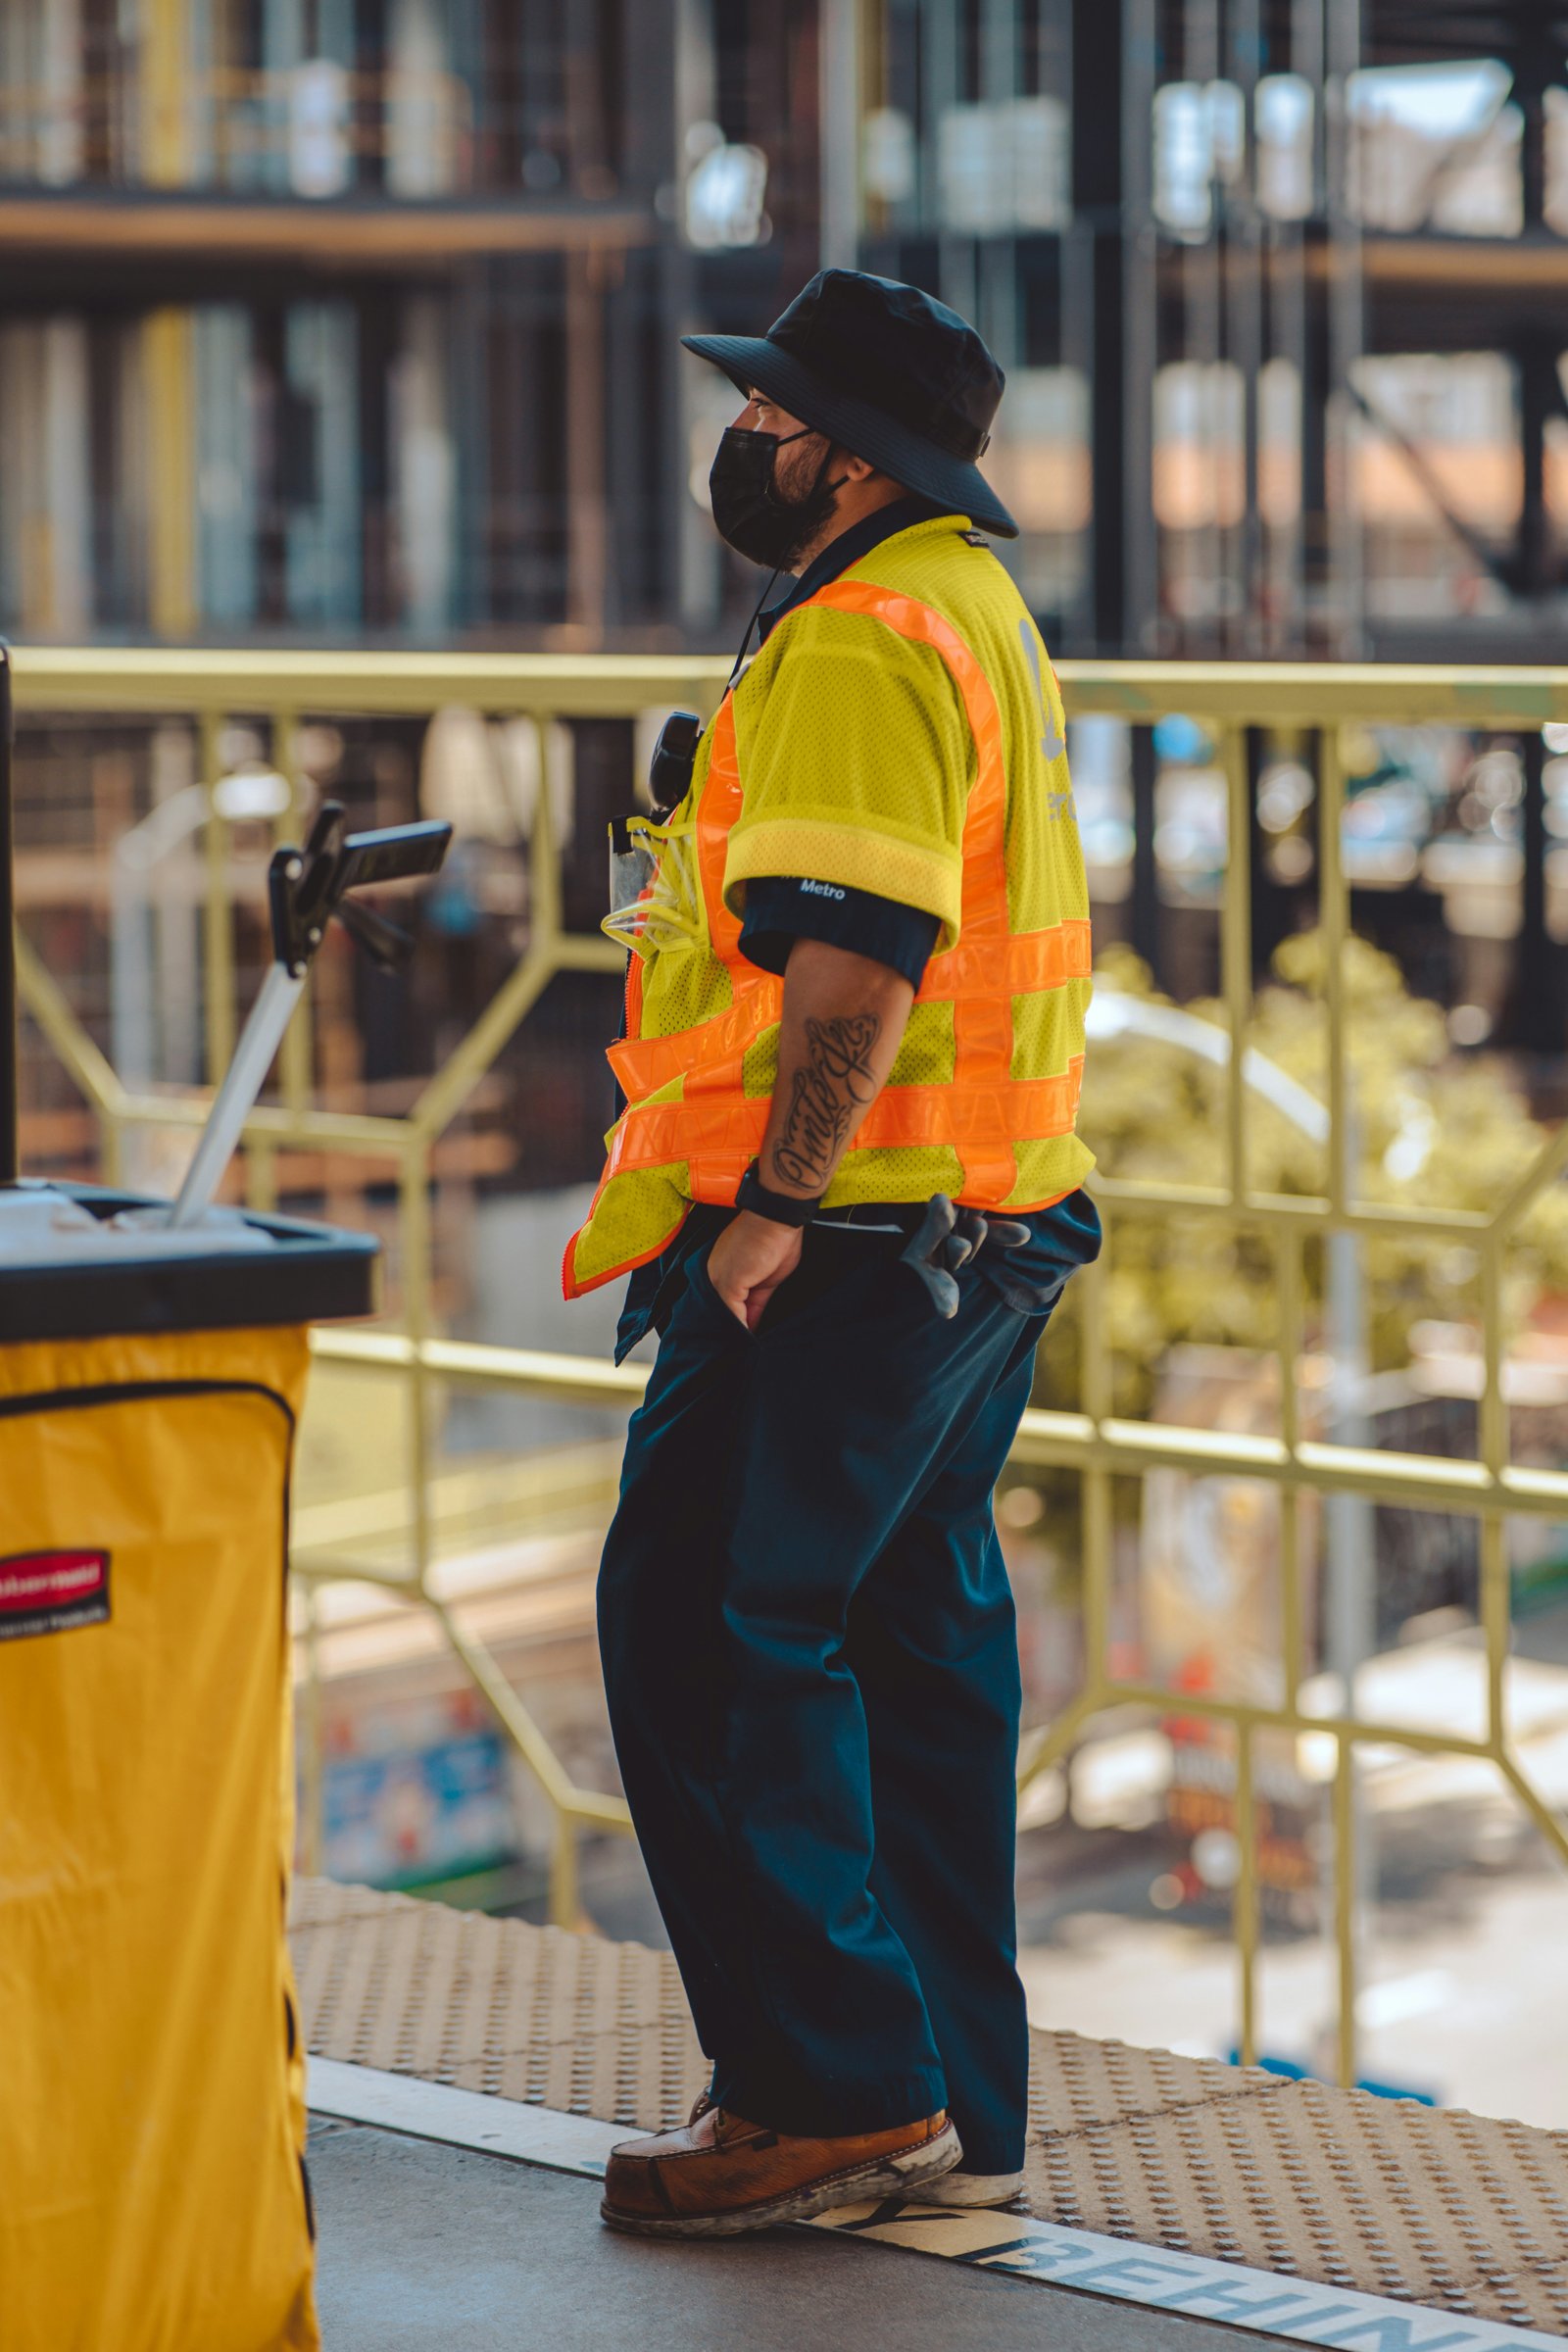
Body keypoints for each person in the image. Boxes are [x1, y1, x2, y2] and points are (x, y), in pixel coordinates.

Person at [564, 268, 1102, 2238]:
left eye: (768, 416)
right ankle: (941, 2086)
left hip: (853, 1236)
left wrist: (774, 1211)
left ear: (848, 458)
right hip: (981, 1220)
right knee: (905, 1646)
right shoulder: (971, 611)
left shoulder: (864, 639)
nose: (742, 440)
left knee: (709, 1630)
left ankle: (822, 2088)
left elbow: (858, 960)